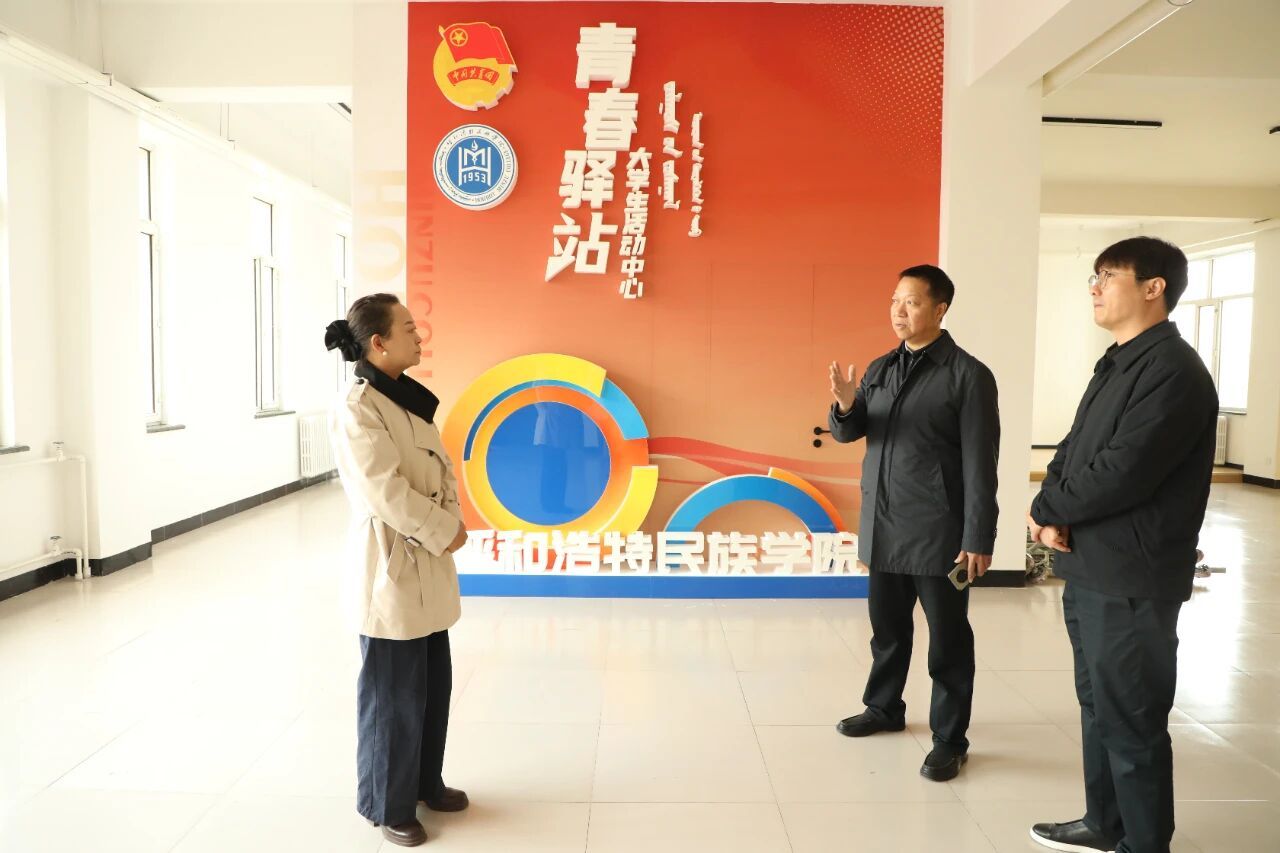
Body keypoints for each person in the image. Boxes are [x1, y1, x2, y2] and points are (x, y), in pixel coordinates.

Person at [1027, 238, 1217, 853]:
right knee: (1099, 705)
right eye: (1094, 276)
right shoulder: (1119, 361)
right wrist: (1047, 507)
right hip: (1092, 566)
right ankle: (1104, 823)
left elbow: (1124, 470)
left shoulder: (1174, 371)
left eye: (1108, 275)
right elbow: (1073, 448)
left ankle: (1144, 842)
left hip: (1133, 577)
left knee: (1132, 717)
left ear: (1153, 287)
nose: (1095, 286)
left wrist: (1050, 510)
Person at [827, 264, 1000, 782]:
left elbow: (981, 462)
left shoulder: (968, 375)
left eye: (912, 302)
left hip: (939, 534)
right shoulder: (881, 367)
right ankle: (884, 708)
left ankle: (950, 739)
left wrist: (978, 536)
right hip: (884, 526)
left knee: (948, 641)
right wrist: (844, 404)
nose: (899, 311)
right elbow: (852, 431)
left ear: (940, 309)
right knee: (887, 631)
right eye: (894, 301)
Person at [325, 293, 471, 848]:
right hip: (391, 557)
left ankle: (425, 782)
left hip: (425, 554)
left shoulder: (403, 396)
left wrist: (449, 520)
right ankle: (387, 803)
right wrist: (442, 528)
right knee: (393, 694)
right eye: (409, 328)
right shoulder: (359, 406)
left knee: (431, 685)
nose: (419, 335)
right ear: (378, 342)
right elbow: (383, 491)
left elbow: (438, 468)